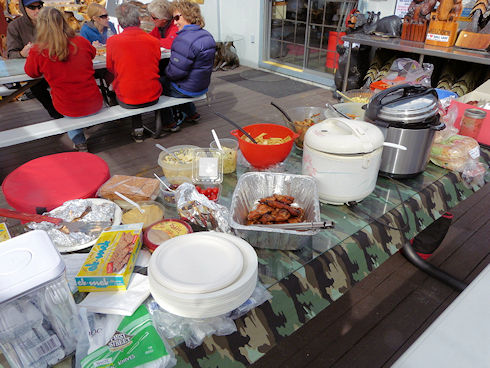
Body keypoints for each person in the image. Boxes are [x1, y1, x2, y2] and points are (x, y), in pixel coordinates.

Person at [24, 7, 103, 152]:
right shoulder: (81, 41)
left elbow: (31, 73)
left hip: (68, 107)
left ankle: (80, 142)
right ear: (64, 22)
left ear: (40, 26)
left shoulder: (38, 50)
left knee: (67, 106)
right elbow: (92, 54)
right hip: (94, 103)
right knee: (76, 105)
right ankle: (83, 130)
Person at [106, 2, 162, 142]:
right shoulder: (153, 41)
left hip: (128, 99)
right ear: (138, 20)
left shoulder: (113, 41)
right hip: (153, 95)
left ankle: (137, 130)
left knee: (124, 86)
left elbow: (110, 68)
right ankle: (157, 125)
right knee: (135, 83)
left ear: (120, 22)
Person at [161, 0, 215, 130]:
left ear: (187, 15)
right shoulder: (207, 35)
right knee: (180, 81)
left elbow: (175, 73)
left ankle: (168, 122)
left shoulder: (183, 39)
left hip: (188, 90)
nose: (174, 22)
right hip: (202, 86)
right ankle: (192, 114)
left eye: (177, 17)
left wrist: (165, 71)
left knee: (158, 83)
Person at [6, 0, 63, 119]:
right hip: (35, 69)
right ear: (23, 8)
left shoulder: (50, 21)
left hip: (56, 65)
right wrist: (22, 53)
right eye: (32, 7)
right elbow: (11, 54)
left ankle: (74, 112)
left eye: (39, 7)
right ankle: (56, 114)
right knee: (36, 86)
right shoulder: (15, 26)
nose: (37, 10)